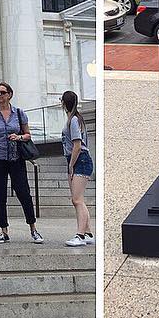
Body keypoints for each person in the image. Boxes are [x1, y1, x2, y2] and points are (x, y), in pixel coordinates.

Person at [0, 79, 43, 244]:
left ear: (10, 95)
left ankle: (33, 228)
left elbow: (27, 134)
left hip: (16, 157)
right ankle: (3, 230)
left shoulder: (19, 113)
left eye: (2, 92)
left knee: (23, 192)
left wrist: (18, 137)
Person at [60, 89, 93, 247]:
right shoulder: (76, 119)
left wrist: (71, 165)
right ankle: (87, 233)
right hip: (77, 159)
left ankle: (80, 235)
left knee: (77, 200)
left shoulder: (73, 120)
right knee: (78, 200)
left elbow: (77, 145)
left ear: (64, 103)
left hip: (80, 160)